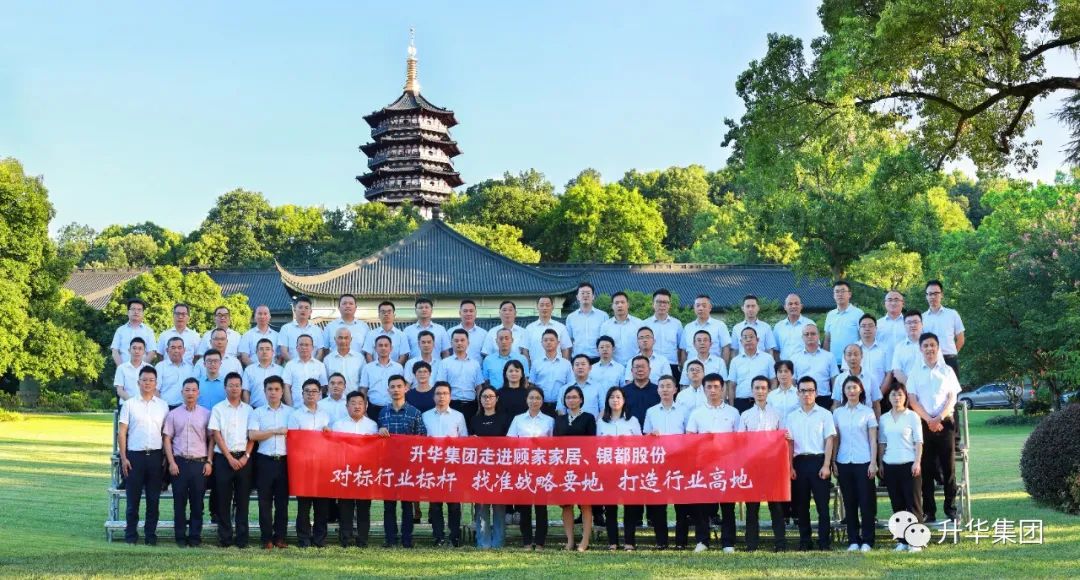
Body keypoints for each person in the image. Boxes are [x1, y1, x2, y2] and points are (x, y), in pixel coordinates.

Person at [907, 332, 961, 524]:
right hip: (923, 424)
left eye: (932, 345)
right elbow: (913, 400)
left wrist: (938, 418)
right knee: (926, 470)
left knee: (948, 469)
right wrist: (929, 420)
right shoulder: (915, 372)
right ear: (920, 349)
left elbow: (952, 398)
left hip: (945, 423)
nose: (929, 348)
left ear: (938, 348)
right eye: (926, 345)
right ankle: (929, 511)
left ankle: (950, 508)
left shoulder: (947, 371)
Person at [685, 373, 741, 553]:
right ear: (703, 389)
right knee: (702, 504)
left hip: (727, 465)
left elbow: (739, 440)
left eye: (716, 386)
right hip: (704, 465)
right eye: (709, 387)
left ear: (723, 389)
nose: (713, 390)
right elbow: (689, 439)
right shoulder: (697, 413)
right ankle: (702, 540)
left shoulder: (733, 412)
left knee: (727, 506)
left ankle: (728, 542)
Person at [117, 366, 168, 545]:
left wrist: (165, 457)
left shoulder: (162, 406)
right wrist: (124, 458)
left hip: (155, 457)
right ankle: (131, 535)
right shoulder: (129, 404)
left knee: (153, 500)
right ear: (138, 382)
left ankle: (150, 536)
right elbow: (122, 433)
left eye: (151, 380)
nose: (147, 383)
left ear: (156, 383)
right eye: (144, 380)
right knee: (133, 501)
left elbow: (166, 434)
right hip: (134, 457)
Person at [786, 375, 837, 551]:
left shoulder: (825, 414)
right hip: (799, 463)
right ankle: (805, 541)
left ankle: (824, 542)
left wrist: (826, 465)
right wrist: (790, 466)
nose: (806, 394)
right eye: (803, 391)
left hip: (819, 461)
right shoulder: (791, 416)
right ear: (797, 393)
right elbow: (790, 443)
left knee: (822, 506)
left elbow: (829, 440)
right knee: (801, 506)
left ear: (816, 392)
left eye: (810, 390)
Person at [377, 375, 427, 548]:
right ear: (388, 390)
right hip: (388, 466)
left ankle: (407, 539)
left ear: (406, 388)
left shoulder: (415, 413)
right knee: (389, 505)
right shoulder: (383, 413)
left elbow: (422, 438)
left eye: (399, 386)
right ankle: (390, 539)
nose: (396, 390)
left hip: (408, 466)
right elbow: (377, 441)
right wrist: (380, 432)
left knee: (407, 505)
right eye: (392, 387)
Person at [163, 378, 212, 548]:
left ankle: (195, 537)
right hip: (179, 464)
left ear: (198, 393)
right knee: (179, 503)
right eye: (187, 390)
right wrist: (171, 462)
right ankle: (180, 537)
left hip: (199, 464)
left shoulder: (206, 414)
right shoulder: (173, 414)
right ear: (182, 392)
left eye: (193, 390)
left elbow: (211, 439)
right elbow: (167, 439)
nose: (190, 393)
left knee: (198, 504)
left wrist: (209, 461)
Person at [208, 372, 255, 548]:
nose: (234, 388)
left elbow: (252, 435)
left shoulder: (249, 410)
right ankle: (225, 538)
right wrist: (228, 457)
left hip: (244, 459)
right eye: (231, 385)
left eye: (237, 385)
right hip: (223, 458)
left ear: (241, 388)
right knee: (223, 499)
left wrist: (246, 456)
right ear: (225, 387)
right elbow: (216, 434)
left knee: (243, 500)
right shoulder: (218, 409)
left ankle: (242, 539)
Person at [832, 376, 879, 552]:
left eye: (854, 387)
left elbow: (873, 439)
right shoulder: (838, 413)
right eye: (848, 388)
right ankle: (853, 539)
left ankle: (867, 540)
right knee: (849, 502)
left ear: (860, 390)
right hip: (844, 461)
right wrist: (833, 461)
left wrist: (873, 462)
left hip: (864, 461)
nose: (851, 391)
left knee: (866, 503)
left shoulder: (868, 412)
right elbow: (836, 439)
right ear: (843, 391)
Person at [740, 376, 786, 552]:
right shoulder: (745, 415)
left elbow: (783, 440)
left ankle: (780, 543)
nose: (760, 391)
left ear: (768, 391)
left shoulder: (777, 414)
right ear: (752, 391)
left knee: (776, 507)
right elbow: (740, 442)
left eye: (763, 388)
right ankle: (751, 544)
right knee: (752, 508)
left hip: (772, 466)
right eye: (757, 388)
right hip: (752, 466)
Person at [643, 376, 689, 550]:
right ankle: (661, 541)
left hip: (679, 460)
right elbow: (645, 437)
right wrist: (651, 436)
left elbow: (690, 435)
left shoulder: (684, 410)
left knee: (681, 504)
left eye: (669, 386)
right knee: (658, 504)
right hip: (659, 461)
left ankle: (681, 542)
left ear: (675, 389)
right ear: (657, 390)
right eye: (661, 386)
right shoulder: (651, 411)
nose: (665, 389)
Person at [506, 386, 555, 550]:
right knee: (524, 507)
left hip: (542, 468)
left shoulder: (549, 420)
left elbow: (554, 445)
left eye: (538, 398)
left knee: (541, 507)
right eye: (531, 398)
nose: (534, 401)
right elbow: (510, 442)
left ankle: (540, 542)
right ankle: (527, 541)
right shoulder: (518, 419)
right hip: (523, 468)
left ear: (542, 401)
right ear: (526, 400)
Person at [247, 375, 292, 550]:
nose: (273, 392)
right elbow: (253, 435)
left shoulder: (291, 412)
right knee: (264, 502)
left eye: (277, 389)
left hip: (284, 461)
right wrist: (275, 431)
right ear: (264, 391)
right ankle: (266, 538)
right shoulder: (257, 412)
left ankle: (280, 537)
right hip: (264, 461)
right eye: (270, 389)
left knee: (282, 502)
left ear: (282, 391)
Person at [879, 384, 925, 552]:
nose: (896, 397)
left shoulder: (912, 416)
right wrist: (880, 463)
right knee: (897, 505)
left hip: (909, 465)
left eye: (899, 394)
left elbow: (918, 441)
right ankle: (902, 541)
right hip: (890, 465)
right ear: (888, 397)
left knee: (913, 504)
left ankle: (916, 541)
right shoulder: (884, 418)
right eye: (893, 394)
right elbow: (882, 443)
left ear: (905, 397)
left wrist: (917, 462)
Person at [422, 383, 469, 547]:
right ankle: (438, 536)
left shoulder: (458, 416)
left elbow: (464, 440)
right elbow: (420, 440)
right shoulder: (425, 416)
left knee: (454, 504)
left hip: (452, 464)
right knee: (435, 504)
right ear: (433, 396)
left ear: (450, 396)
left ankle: (454, 536)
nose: (441, 396)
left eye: (445, 393)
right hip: (432, 464)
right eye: (438, 393)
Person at [597, 386, 643, 550]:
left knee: (630, 506)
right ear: (607, 401)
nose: (615, 400)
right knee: (610, 507)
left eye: (618, 397)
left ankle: (629, 541)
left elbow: (641, 444)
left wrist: (627, 442)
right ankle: (613, 542)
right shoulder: (601, 422)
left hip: (629, 469)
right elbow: (596, 446)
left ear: (624, 400)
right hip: (608, 469)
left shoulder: (632, 420)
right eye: (612, 397)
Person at [288, 378, 332, 548]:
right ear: (302, 394)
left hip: (323, 465)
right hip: (304, 465)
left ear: (320, 394)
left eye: (314, 391)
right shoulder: (295, 415)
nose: (311, 394)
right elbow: (293, 441)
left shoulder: (325, 415)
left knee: (322, 506)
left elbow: (331, 440)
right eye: (307, 391)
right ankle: (304, 539)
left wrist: (328, 432)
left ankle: (320, 539)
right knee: (304, 506)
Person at [332, 390, 379, 547]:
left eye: (360, 403)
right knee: (345, 506)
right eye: (353, 403)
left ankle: (362, 538)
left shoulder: (372, 425)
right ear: (346, 406)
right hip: (345, 470)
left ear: (365, 406)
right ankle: (345, 538)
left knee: (364, 507)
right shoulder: (338, 425)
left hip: (364, 472)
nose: (357, 406)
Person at [554, 385, 597, 551]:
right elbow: (555, 444)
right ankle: (570, 541)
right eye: (568, 397)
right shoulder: (559, 420)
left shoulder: (588, 418)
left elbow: (592, 443)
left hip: (583, 466)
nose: (571, 400)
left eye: (574, 397)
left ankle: (584, 541)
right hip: (564, 467)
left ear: (581, 400)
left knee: (585, 504)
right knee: (566, 504)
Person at [470, 386, 512, 549]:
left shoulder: (505, 419)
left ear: (497, 399)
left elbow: (509, 442)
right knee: (481, 506)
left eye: (490, 396)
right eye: (484, 397)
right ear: (480, 400)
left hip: (500, 467)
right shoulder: (474, 419)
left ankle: (498, 542)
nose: (487, 399)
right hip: (479, 468)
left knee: (499, 506)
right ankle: (483, 542)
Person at [435, 328, 485, 417]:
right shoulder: (445, 363)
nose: (459, 343)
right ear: (451, 343)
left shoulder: (475, 364)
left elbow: (479, 388)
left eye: (462, 340)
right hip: (451, 405)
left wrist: (480, 406)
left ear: (468, 343)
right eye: (456, 340)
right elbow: (441, 387)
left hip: (471, 405)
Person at [922, 280, 965, 380]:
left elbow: (961, 339)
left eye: (936, 293)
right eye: (930, 294)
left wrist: (952, 354)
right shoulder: (922, 318)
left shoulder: (952, 314)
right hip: (930, 361)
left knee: (952, 389)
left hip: (950, 360)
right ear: (926, 296)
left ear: (942, 295)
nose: (933, 297)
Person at [727, 327, 776, 413]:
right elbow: (731, 385)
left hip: (763, 402)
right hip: (741, 403)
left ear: (757, 340)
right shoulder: (735, 361)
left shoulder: (768, 358)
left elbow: (773, 381)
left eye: (751, 337)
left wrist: (770, 399)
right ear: (741, 341)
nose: (748, 340)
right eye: (745, 337)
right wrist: (731, 407)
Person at [791, 324, 838, 410]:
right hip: (802, 400)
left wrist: (835, 403)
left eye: (813, 333)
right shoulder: (795, 358)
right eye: (806, 334)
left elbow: (835, 381)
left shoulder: (829, 356)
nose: (810, 336)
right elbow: (793, 382)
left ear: (818, 335)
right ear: (802, 337)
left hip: (824, 400)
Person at [359, 335, 405, 420]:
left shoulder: (398, 367)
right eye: (380, 345)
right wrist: (364, 410)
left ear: (391, 348)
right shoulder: (368, 368)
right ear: (375, 348)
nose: (383, 348)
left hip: (393, 408)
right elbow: (363, 390)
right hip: (373, 409)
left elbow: (401, 389)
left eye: (386, 345)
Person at [529, 329, 573, 416]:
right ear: (541, 343)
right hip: (540, 405)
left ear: (558, 343)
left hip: (561, 405)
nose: (548, 342)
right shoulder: (536, 363)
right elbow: (532, 385)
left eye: (552, 340)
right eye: (545, 340)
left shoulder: (566, 364)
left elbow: (570, 385)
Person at [823, 280, 865, 368]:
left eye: (843, 291)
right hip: (833, 363)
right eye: (837, 292)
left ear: (849, 294)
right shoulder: (830, 315)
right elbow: (827, 340)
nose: (840, 294)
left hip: (852, 362)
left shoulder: (858, 313)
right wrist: (825, 360)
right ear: (834, 295)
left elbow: (863, 338)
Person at [643, 289, 683, 377]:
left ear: (669, 305)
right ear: (653, 304)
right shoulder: (645, 324)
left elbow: (680, 347)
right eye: (659, 302)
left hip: (672, 365)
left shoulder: (677, 324)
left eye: (665, 302)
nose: (662, 305)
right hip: (651, 365)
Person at [682, 294, 731, 364]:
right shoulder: (688, 327)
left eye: (704, 306)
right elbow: (683, 350)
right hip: (692, 368)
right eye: (698, 305)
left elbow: (726, 348)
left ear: (710, 307)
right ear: (694, 308)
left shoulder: (720, 325)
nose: (700, 308)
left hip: (714, 367)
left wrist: (723, 366)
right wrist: (684, 367)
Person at [282, 334, 328, 407]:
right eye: (301, 345)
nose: (304, 347)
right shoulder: (290, 365)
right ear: (297, 348)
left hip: (316, 408)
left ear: (312, 348)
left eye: (307, 345)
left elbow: (323, 387)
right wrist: (291, 407)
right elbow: (286, 387)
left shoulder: (320, 365)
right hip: (296, 407)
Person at [566, 282, 609, 359]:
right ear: (577, 297)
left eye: (588, 293)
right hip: (578, 359)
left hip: (598, 358)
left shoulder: (603, 316)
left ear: (593, 296)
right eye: (582, 293)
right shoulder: (571, 317)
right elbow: (569, 341)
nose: (585, 295)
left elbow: (606, 339)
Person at [598, 291, 642, 364]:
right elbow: (602, 347)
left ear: (628, 305)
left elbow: (643, 345)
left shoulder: (639, 323)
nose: (620, 305)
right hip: (614, 366)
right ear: (612, 306)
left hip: (635, 365)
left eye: (622, 302)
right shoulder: (605, 326)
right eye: (616, 303)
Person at [111, 298, 157, 366]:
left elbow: (152, 352)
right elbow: (115, 351)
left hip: (142, 370)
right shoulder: (120, 330)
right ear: (128, 312)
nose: (136, 312)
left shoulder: (149, 331)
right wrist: (122, 368)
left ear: (143, 313)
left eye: (139, 310)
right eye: (133, 309)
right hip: (123, 369)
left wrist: (140, 368)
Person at [320, 294, 367, 360]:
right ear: (339, 307)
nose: (348, 306)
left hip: (358, 365)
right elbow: (325, 350)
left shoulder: (364, 327)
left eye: (351, 303)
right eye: (344, 303)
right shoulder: (330, 327)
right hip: (335, 364)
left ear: (356, 307)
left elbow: (367, 351)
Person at [525, 295, 571, 361]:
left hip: (557, 365)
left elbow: (565, 349)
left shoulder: (561, 327)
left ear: (552, 307)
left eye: (547, 305)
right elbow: (525, 350)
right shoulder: (529, 328)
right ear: (537, 307)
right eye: (542, 305)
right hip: (536, 366)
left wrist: (564, 365)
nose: (544, 308)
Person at [242, 338, 284, 409]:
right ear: (256, 352)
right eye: (261, 349)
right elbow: (246, 392)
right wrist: (247, 409)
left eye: (267, 349)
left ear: (272, 352)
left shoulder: (281, 370)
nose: (264, 352)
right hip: (254, 409)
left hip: (277, 410)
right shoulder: (249, 370)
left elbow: (283, 391)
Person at [621, 355, 660, 428]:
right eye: (637, 367)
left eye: (643, 366)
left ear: (649, 370)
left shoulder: (659, 391)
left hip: (653, 431)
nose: (640, 369)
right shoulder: (623, 392)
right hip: (629, 431)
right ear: (632, 370)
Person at [774, 293, 814, 361]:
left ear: (801, 306)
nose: (793, 306)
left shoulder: (810, 324)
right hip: (784, 365)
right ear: (785, 307)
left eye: (796, 303)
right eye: (790, 304)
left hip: (805, 365)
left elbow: (815, 347)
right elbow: (775, 351)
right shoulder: (778, 327)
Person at [277, 296, 319, 363]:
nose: (303, 310)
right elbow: (284, 351)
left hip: (313, 368)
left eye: (306, 308)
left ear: (311, 311)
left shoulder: (317, 330)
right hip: (292, 367)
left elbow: (320, 351)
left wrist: (314, 365)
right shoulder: (286, 329)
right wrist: (295, 366)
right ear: (294, 310)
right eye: (300, 307)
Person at [157, 336, 194, 409]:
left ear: (184, 350)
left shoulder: (190, 368)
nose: (176, 350)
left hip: (186, 408)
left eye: (179, 348)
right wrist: (160, 408)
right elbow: (155, 389)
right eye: (173, 348)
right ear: (167, 350)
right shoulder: (160, 367)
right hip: (165, 408)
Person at [114, 337, 154, 403]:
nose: (137, 351)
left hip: (145, 404)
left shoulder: (150, 368)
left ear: (144, 352)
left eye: (140, 349)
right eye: (134, 348)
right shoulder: (121, 368)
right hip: (126, 404)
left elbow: (152, 389)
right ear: (129, 350)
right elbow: (120, 391)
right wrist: (132, 403)